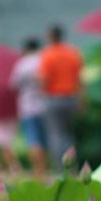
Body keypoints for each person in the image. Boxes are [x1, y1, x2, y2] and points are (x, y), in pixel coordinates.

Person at [38, 25, 83, 167]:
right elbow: (80, 78)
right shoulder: (72, 52)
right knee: (68, 134)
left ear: (51, 37)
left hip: (53, 98)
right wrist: (82, 100)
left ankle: (60, 169)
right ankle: (73, 166)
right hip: (71, 98)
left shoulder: (48, 54)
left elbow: (44, 79)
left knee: (56, 135)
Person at [10, 38, 48, 178]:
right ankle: (45, 168)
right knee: (46, 139)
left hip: (28, 107)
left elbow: (14, 85)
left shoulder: (22, 64)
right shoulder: (44, 60)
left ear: (25, 49)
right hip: (45, 105)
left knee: (33, 140)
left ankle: (38, 171)